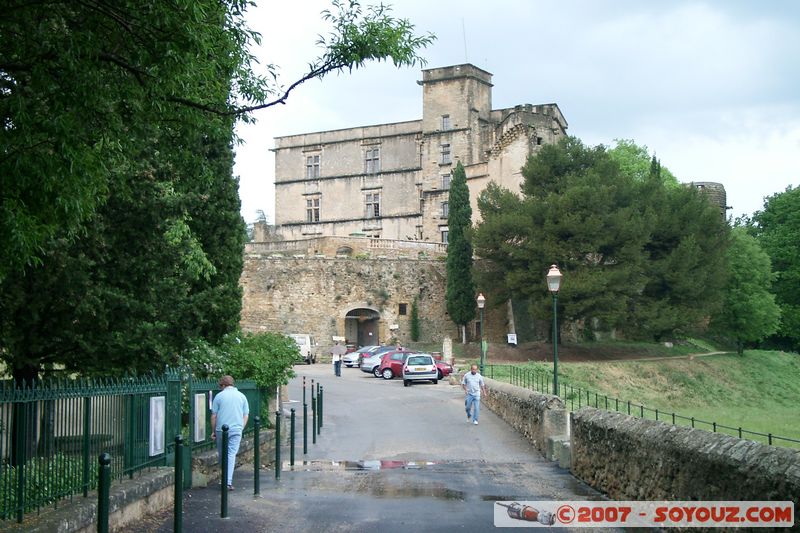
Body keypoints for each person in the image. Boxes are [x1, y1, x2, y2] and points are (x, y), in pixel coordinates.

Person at [211, 375, 249, 491]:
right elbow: (246, 415)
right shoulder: (242, 396)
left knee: (222, 454)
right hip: (236, 429)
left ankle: (225, 479)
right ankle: (227, 481)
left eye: (220, 386)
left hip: (221, 430)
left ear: (223, 385)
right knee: (231, 454)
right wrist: (240, 427)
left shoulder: (219, 396)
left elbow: (214, 416)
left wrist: (213, 431)